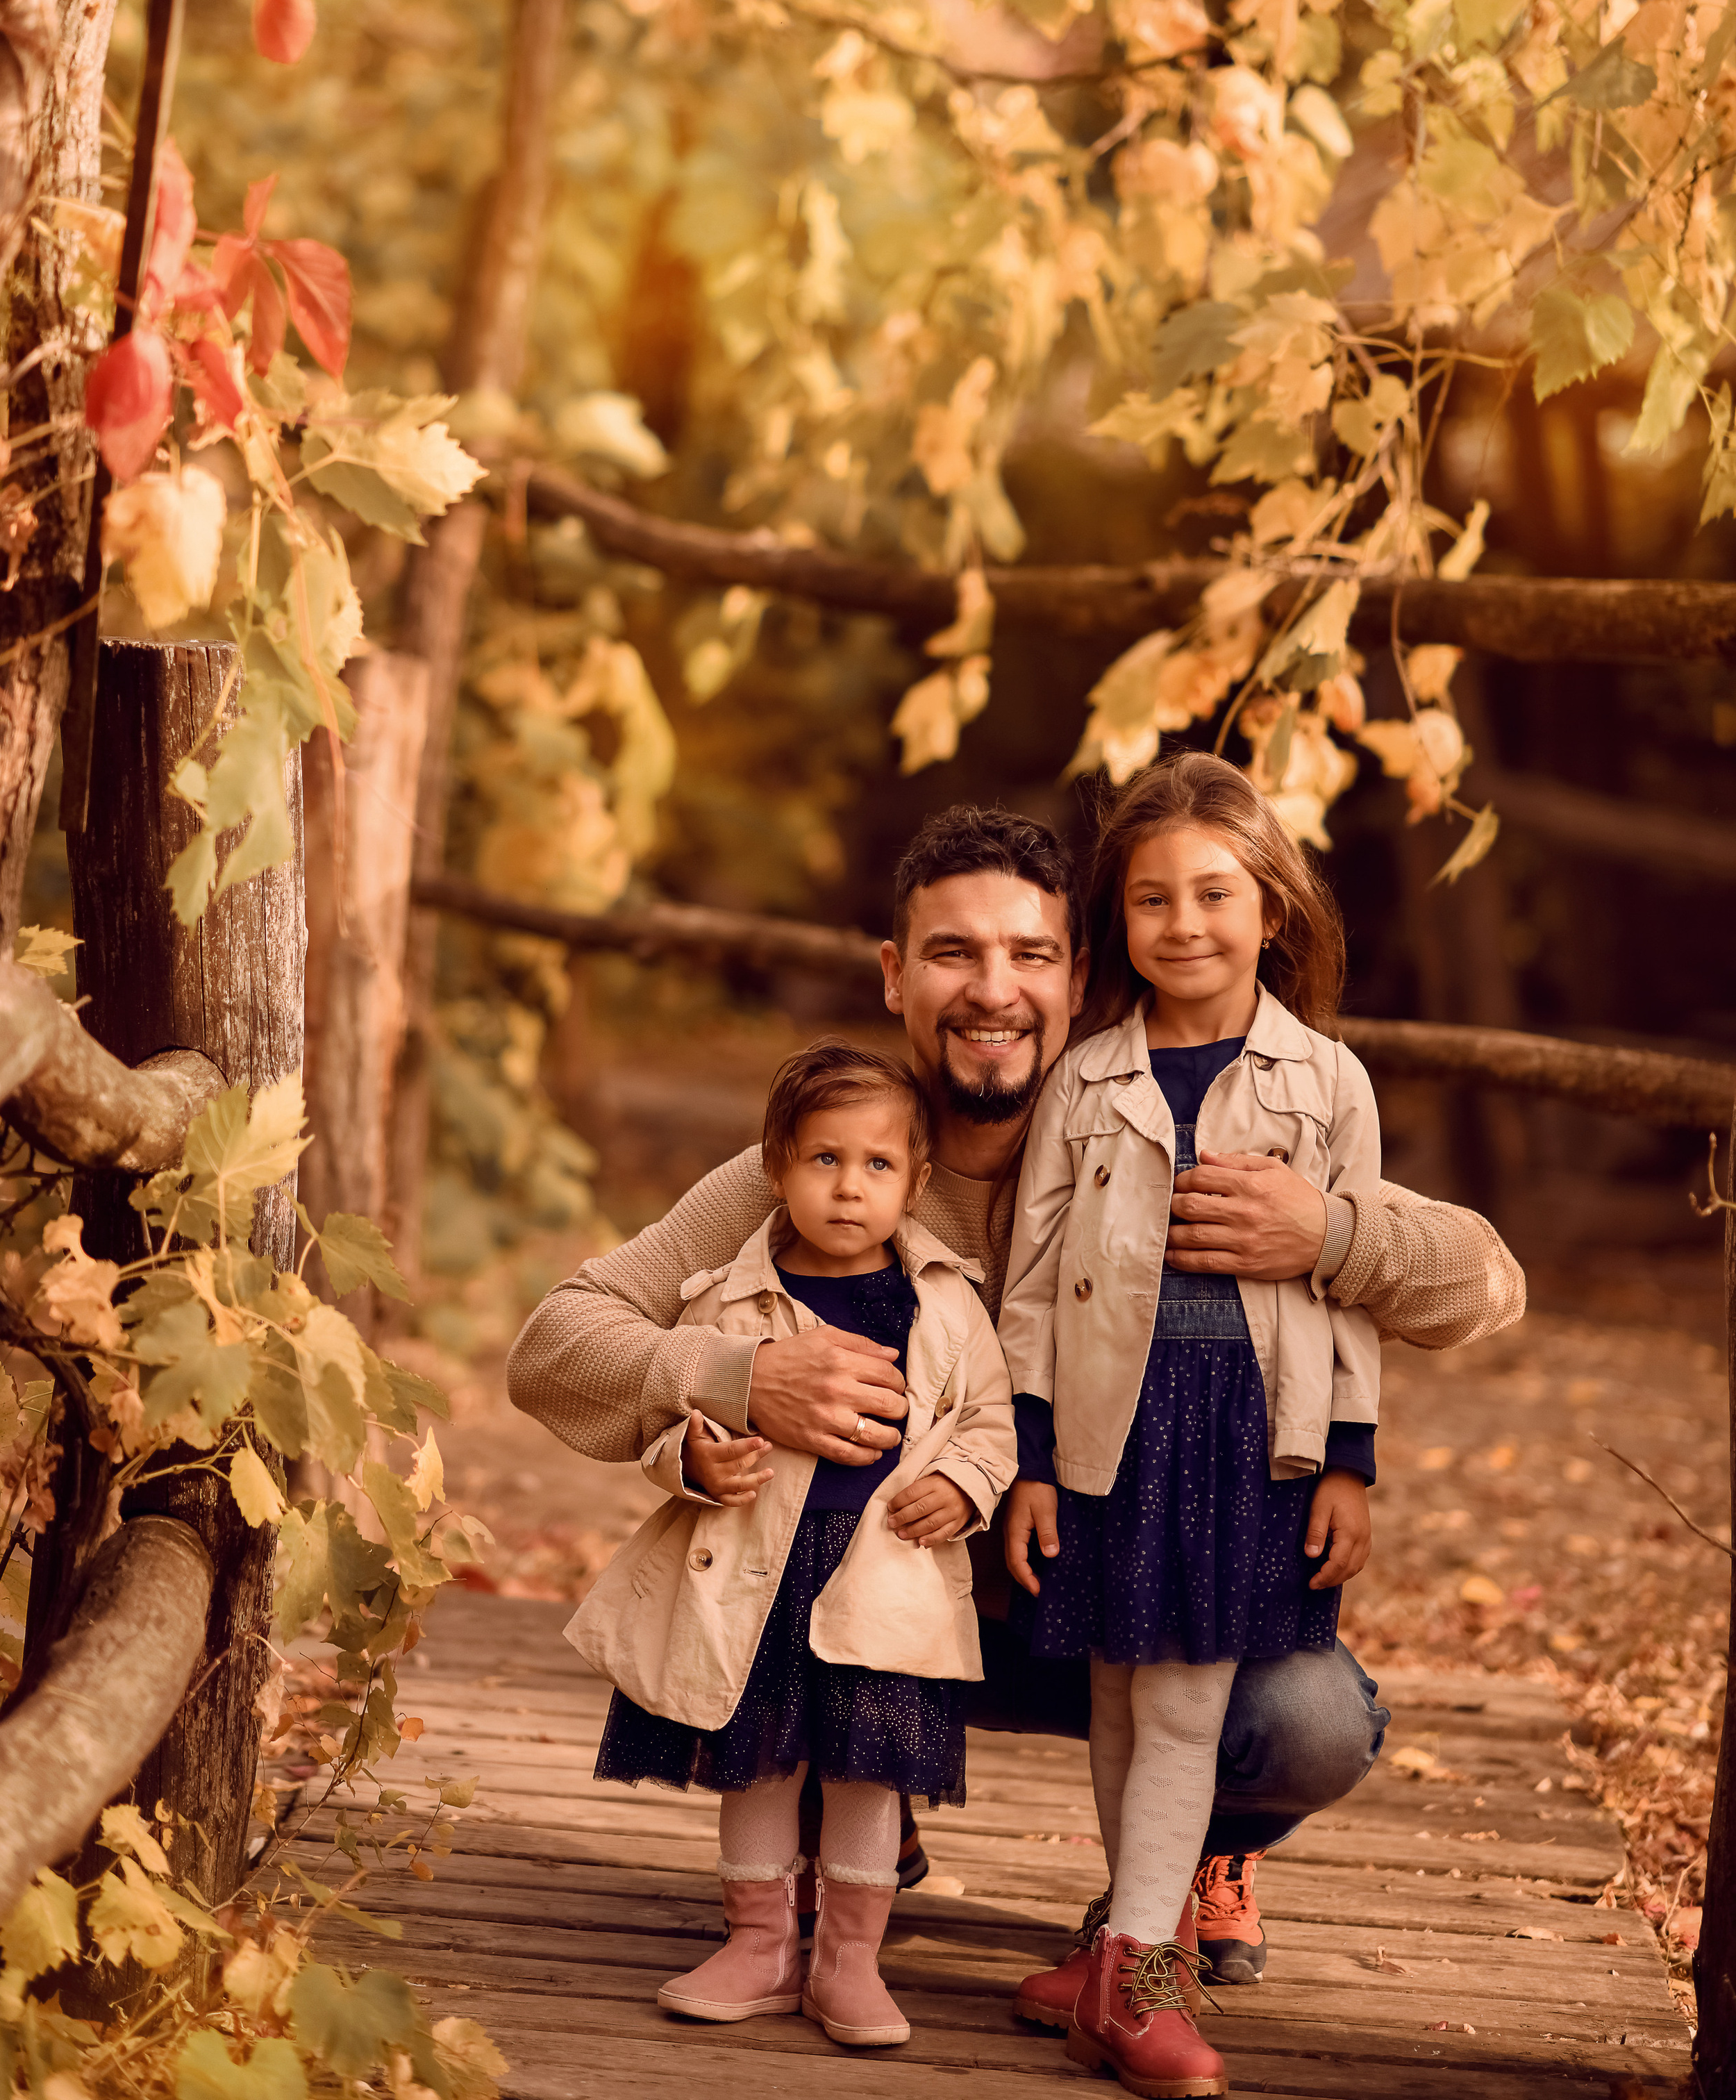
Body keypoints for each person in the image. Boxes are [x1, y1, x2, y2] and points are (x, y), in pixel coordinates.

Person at [508, 799, 1526, 1992]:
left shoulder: (1138, 1132)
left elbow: (1490, 1284)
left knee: (1309, 1721)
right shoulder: (830, 1168)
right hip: (884, 1609)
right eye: (953, 953)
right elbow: (553, 1345)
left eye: (1030, 955)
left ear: (1079, 975)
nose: (994, 990)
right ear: (895, 977)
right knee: (763, 1586)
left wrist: (1334, 1234)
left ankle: (1196, 1853)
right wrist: (735, 1377)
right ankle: (854, 1792)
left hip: (1110, 1589)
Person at [998, 751, 1389, 2097]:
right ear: (1117, 924)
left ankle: (1129, 1979)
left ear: (1270, 906)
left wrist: (1348, 1460)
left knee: (1179, 1701)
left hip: (1242, 1428)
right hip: (1111, 1425)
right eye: (1152, 900)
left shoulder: (1324, 1081)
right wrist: (1033, 1457)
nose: (1184, 924)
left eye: (1213, 894)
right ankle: (1131, 1942)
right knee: (1121, 1689)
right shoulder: (1087, 1080)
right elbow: (1032, 1289)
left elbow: (1348, 1293)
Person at [563, 1042, 1016, 2051]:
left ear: (917, 1181)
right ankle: (760, 1944)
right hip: (755, 1575)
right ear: (775, 1166)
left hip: (884, 1573)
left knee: (866, 1772)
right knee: (756, 1765)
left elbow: (989, 1416)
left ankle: (849, 1959)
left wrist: (964, 1482)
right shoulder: (731, 1299)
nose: (850, 1189)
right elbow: (666, 1417)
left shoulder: (944, 1299)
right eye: (823, 1162)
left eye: (878, 1166)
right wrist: (691, 1457)